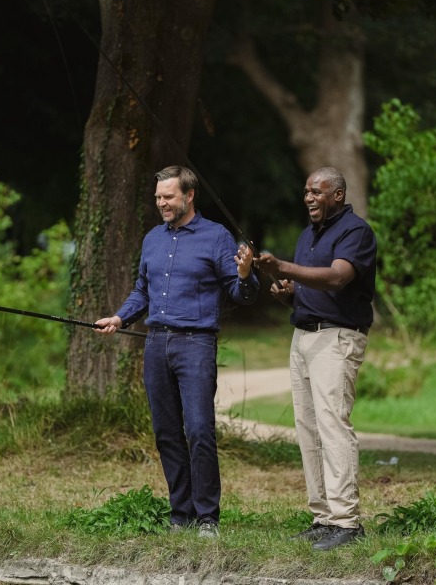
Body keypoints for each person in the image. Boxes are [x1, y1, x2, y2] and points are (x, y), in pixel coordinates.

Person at [94, 165, 259, 538]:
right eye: (158, 197)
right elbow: (142, 290)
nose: (161, 203)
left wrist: (246, 274)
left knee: (199, 429)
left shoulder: (216, 237)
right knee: (166, 432)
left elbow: (242, 294)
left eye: (168, 196)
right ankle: (180, 514)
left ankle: (207, 518)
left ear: (189, 195)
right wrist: (119, 318)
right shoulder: (152, 239)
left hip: (196, 344)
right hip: (156, 344)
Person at [254, 166, 376, 551]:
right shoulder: (308, 234)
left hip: (337, 337)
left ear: (337, 195)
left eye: (316, 191)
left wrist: (282, 267)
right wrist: (288, 292)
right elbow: (310, 289)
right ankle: (323, 517)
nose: (308, 197)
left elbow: (337, 278)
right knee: (308, 428)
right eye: (306, 191)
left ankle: (347, 522)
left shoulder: (356, 232)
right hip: (303, 336)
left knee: (332, 424)